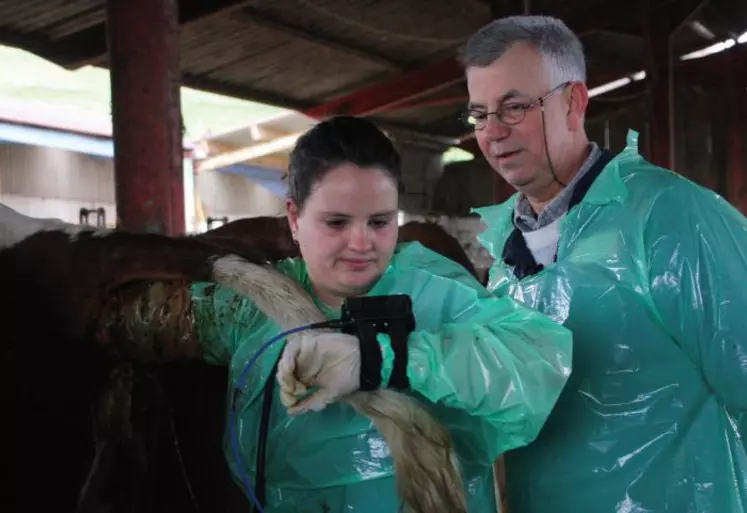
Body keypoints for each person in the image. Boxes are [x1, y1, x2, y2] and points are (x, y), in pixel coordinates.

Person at [190, 115, 573, 512]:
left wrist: (384, 357)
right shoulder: (243, 307)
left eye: (380, 222)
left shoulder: (436, 290)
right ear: (293, 218)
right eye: (336, 222)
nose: (362, 243)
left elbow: (538, 363)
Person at [460, 14, 747, 513]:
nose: (493, 132)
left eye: (514, 107)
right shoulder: (506, 248)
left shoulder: (669, 217)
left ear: (573, 102)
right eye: (480, 114)